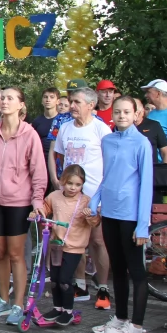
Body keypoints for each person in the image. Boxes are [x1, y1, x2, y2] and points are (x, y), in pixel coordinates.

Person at [0, 87, 48, 326]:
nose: (4, 101)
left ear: (21, 105)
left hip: (19, 202)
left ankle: (18, 303)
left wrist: (37, 201)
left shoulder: (29, 134)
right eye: (2, 97)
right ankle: (3, 300)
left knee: (16, 254)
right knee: (0, 252)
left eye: (10, 98)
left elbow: (38, 171)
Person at [88, 96, 155, 333]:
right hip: (111, 214)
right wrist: (94, 201)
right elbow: (107, 177)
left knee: (136, 270)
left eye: (127, 112)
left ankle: (136, 326)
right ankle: (120, 318)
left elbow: (146, 185)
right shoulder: (108, 140)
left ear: (136, 114)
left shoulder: (142, 143)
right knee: (117, 268)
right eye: (117, 112)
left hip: (130, 215)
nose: (122, 116)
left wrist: (142, 224)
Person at [52, 86, 112, 305]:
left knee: (97, 242)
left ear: (91, 105)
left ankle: (103, 288)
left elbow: (110, 162)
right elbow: (59, 155)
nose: (72, 106)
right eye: (71, 101)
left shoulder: (101, 130)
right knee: (73, 241)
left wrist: (103, 194)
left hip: (94, 193)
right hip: (71, 195)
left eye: (77, 102)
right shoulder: (66, 128)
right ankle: (80, 285)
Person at [41, 165, 99, 326]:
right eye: (70, 183)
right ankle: (57, 308)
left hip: (75, 248)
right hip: (56, 246)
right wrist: (36, 213)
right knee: (54, 279)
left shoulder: (86, 201)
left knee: (65, 280)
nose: (73, 188)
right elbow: (44, 209)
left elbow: (95, 222)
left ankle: (68, 311)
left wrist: (90, 216)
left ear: (82, 185)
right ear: (62, 181)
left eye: (78, 185)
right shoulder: (54, 196)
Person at [132, 98, 167, 163]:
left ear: (142, 111)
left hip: (152, 169)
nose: (135, 114)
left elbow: (165, 152)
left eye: (137, 111)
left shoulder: (154, 125)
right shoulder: (121, 127)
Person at [31, 88, 60, 174]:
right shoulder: (37, 121)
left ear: (58, 101)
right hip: (41, 161)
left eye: (52, 97)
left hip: (58, 160)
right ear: (42, 101)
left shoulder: (62, 120)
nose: (48, 100)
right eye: (45, 97)